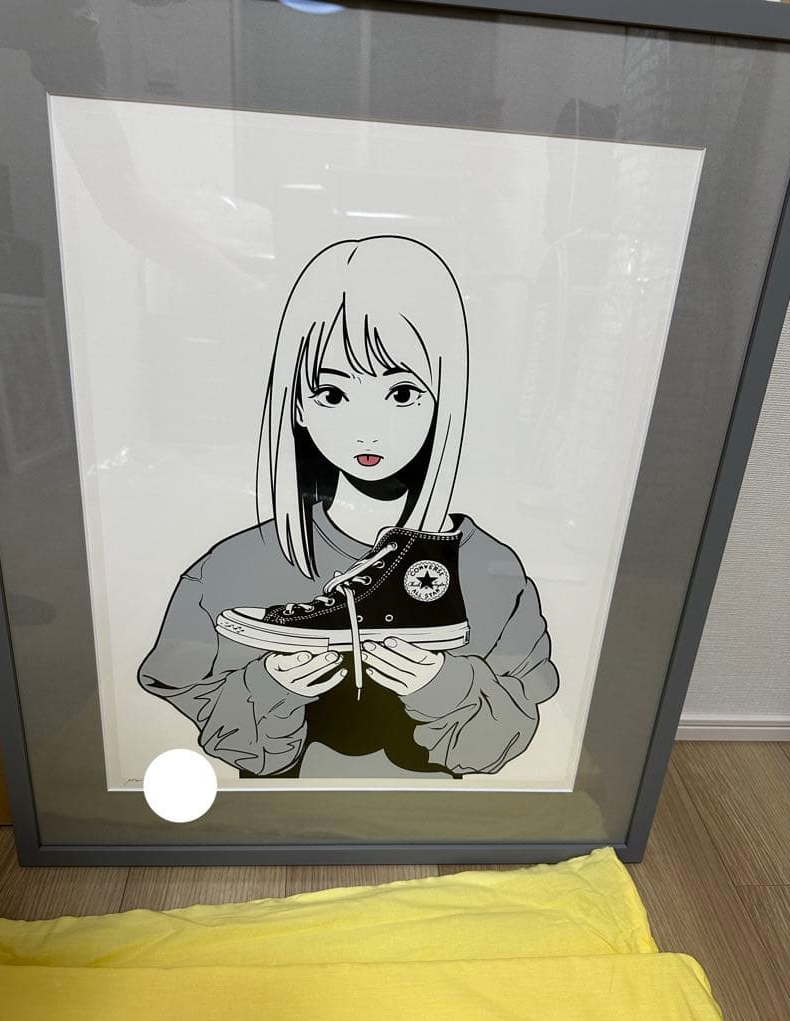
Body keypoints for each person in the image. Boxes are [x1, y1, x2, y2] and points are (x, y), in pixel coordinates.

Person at [138, 235, 559, 779]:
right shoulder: (230, 570)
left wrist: (444, 687)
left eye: (402, 394)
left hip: (432, 823)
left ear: (445, 400)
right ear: (297, 404)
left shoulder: (488, 569)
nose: (368, 429)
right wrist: (271, 687)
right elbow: (219, 734)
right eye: (333, 395)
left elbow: (503, 742)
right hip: (277, 826)